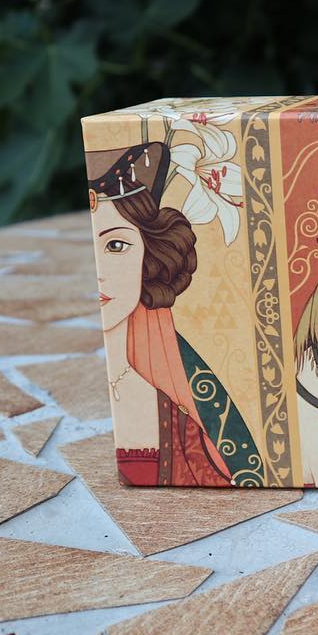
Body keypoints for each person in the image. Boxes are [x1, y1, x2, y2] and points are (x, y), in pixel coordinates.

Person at [88, 142, 264, 486]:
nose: (101, 273)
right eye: (96, 247)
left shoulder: (183, 418)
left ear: (149, 257)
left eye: (116, 245)